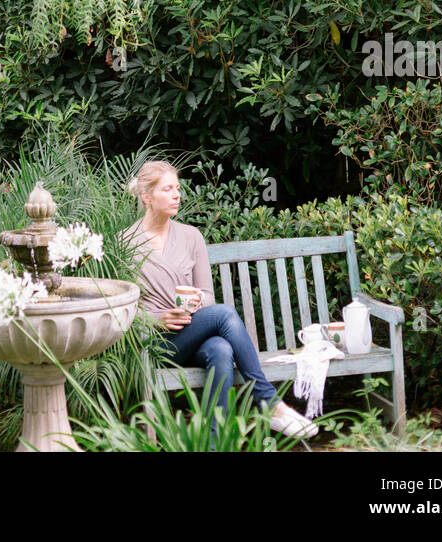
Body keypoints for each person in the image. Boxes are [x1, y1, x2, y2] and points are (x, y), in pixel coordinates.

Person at [124, 159, 317, 441]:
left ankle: (216, 444)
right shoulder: (126, 243)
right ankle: (268, 402)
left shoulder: (192, 237)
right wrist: (159, 319)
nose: (177, 194)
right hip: (158, 344)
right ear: (146, 196)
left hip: (194, 332)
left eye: (178, 188)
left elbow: (207, 296)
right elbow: (125, 310)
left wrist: (192, 306)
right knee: (225, 314)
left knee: (221, 349)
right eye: (168, 189)